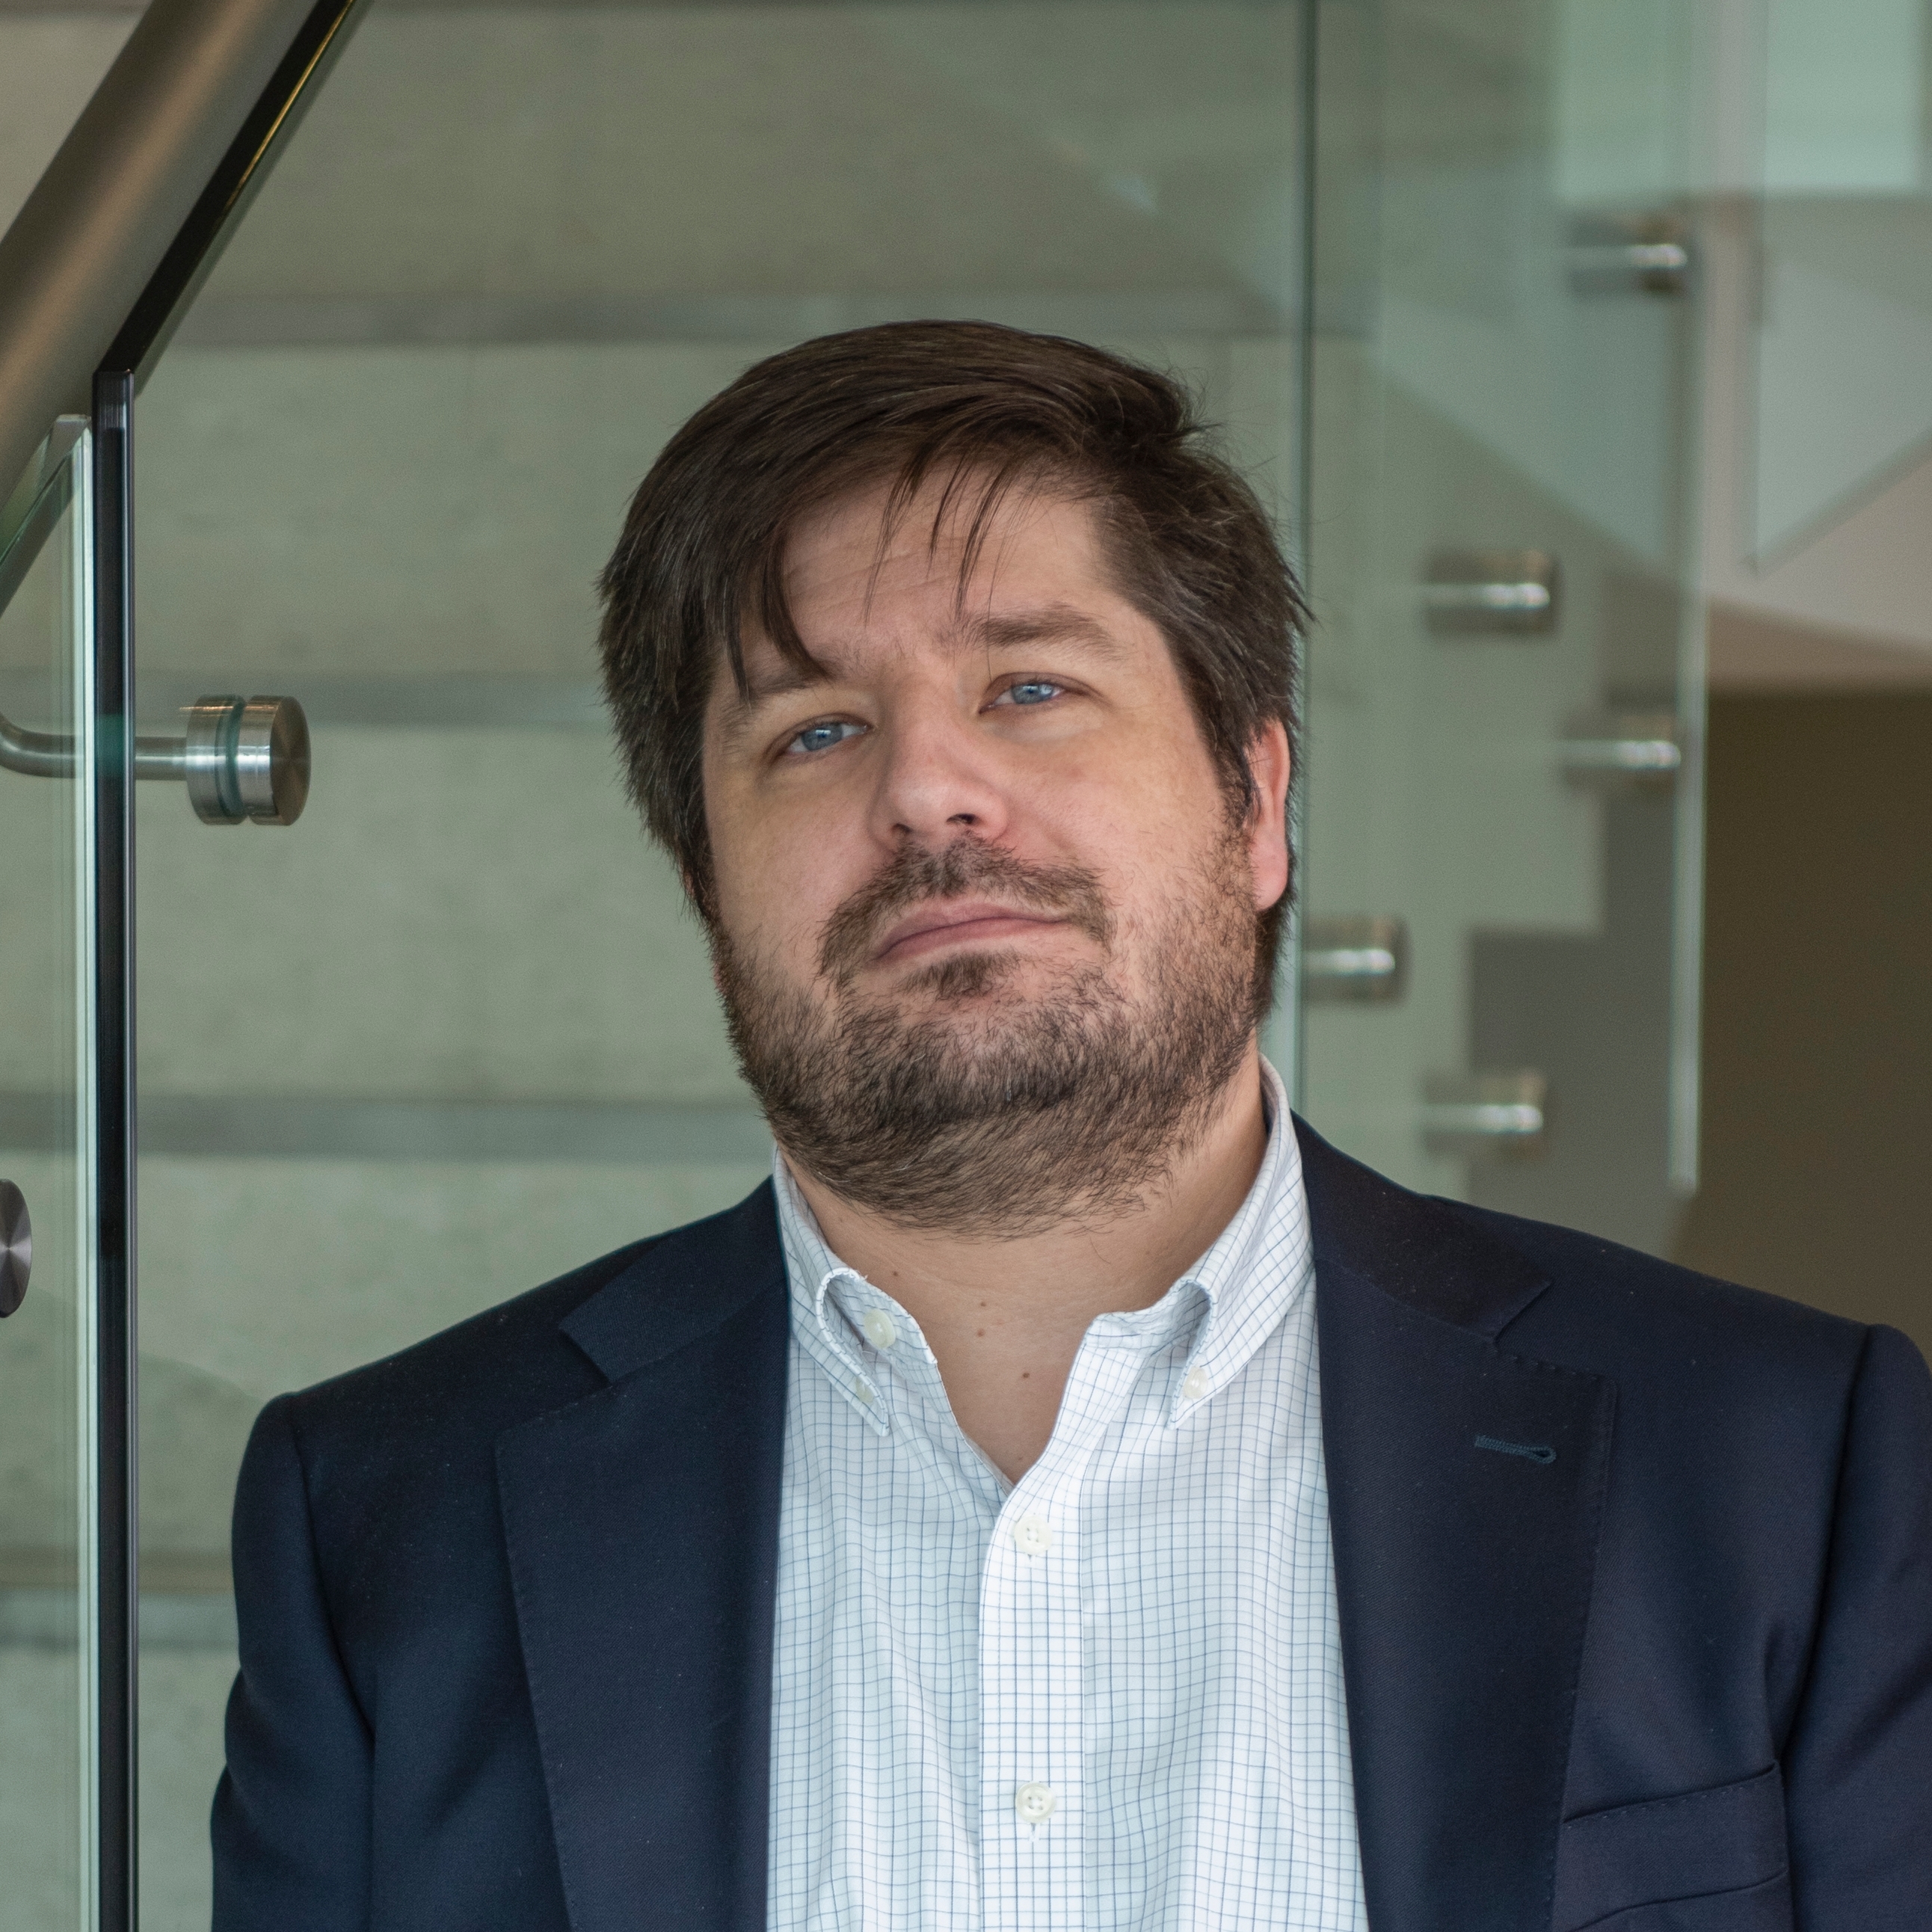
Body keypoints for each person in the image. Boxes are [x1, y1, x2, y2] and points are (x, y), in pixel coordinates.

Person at [211, 322, 1932, 1932]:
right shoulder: (384, 1515)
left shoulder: (1780, 1463)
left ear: (1255, 803)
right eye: (815, 729)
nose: (925, 790)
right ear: (705, 890)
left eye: (1028, 686)